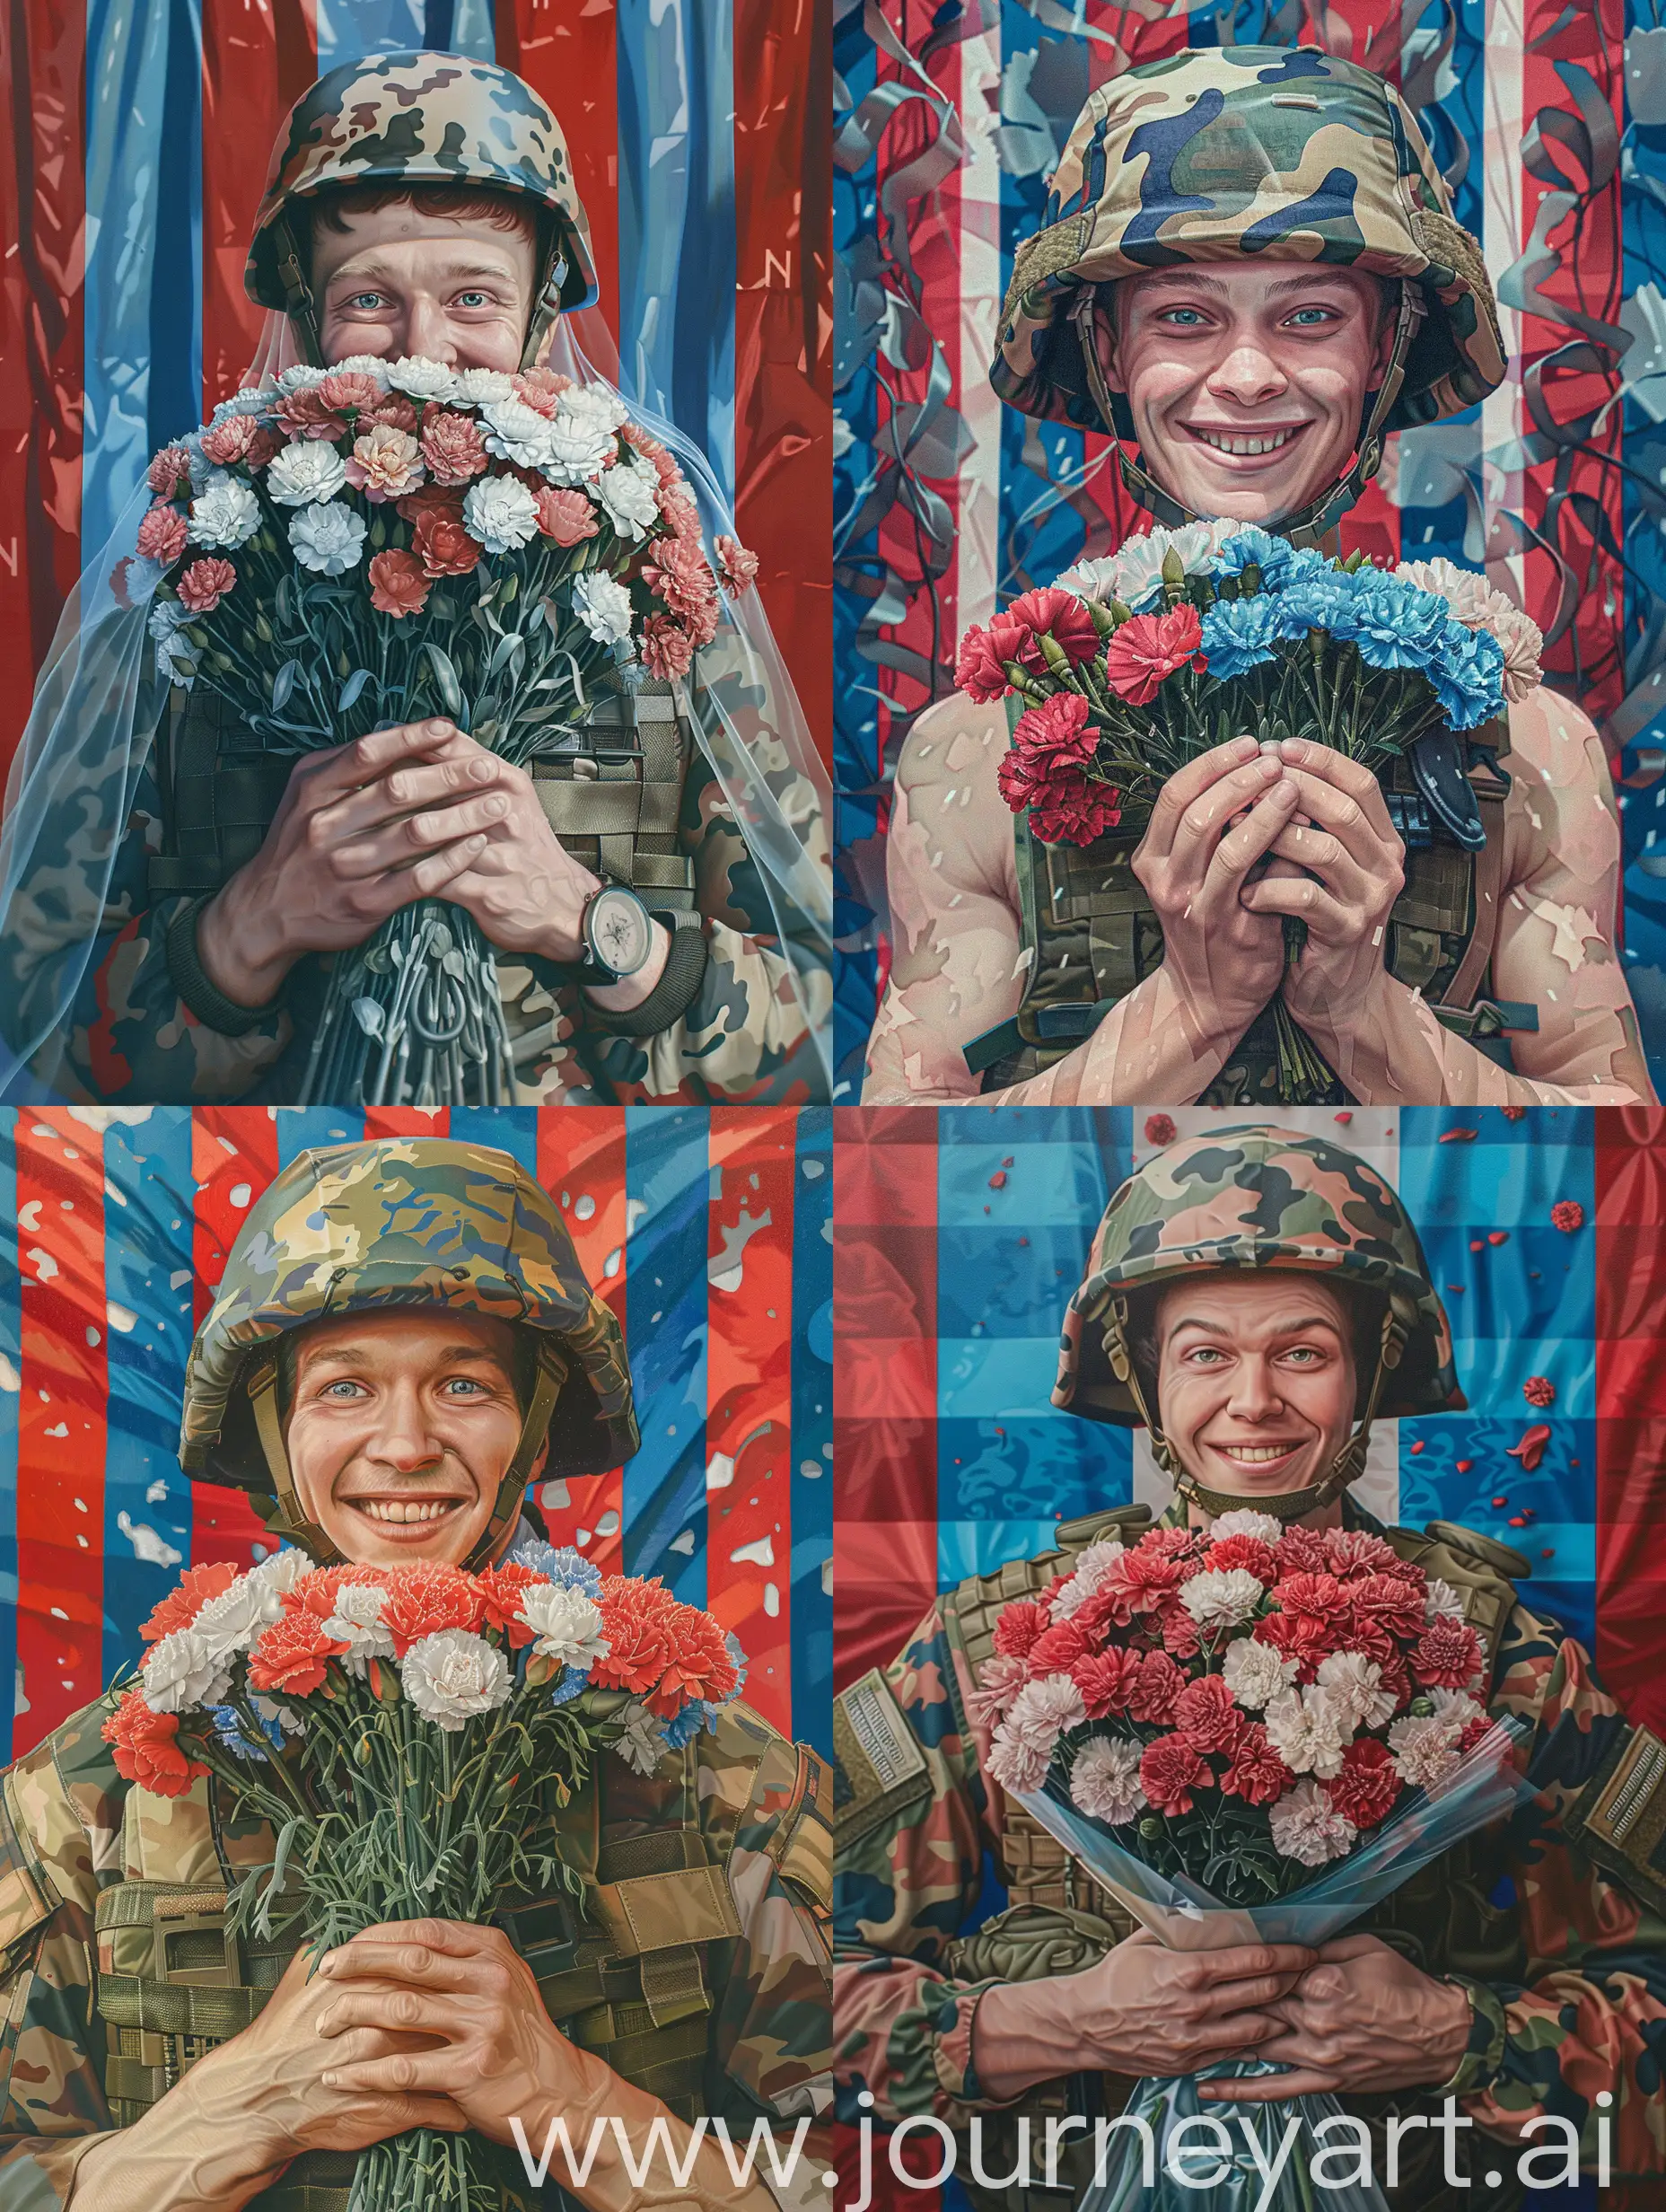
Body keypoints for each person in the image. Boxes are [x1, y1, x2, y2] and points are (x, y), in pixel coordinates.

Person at [833, 1127, 1666, 2210]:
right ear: (1142, 1380)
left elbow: (1646, 2006)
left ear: (1365, 1374)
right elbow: (787, 2008)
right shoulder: (993, 1641)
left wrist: (1453, 2036)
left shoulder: (1502, 1655)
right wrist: (1055, 2021)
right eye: (1205, 1353)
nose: (1253, 1399)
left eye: (1303, 1351)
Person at [0, 1137, 832, 2212]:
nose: (404, 1444)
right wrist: (246, 2108)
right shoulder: (92, 1795)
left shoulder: (724, 1782)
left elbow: (838, 2183)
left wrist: (568, 2102)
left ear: (532, 1430)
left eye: (464, 1384)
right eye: (344, 1386)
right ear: (274, 1428)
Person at [0, 52, 829, 1108]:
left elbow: (821, 1030)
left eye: (474, 297)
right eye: (368, 299)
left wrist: (585, 921)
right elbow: (37, 1028)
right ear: (306, 321)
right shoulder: (180, 624)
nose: (424, 350)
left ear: (537, 324)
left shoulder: (664, 618)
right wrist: (248, 927)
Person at [861, 45, 1653, 1110]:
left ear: (1383, 353)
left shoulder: (1529, 749)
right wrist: (1188, 1008)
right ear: (1107, 352)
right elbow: (902, 1181)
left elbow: (1612, 1179)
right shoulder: (979, 749)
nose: (1244, 376)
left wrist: (1359, 1009)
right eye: (1182, 317)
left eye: (1309, 316)